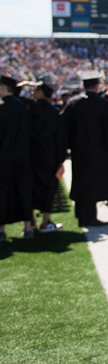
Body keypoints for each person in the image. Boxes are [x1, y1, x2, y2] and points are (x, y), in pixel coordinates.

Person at [61, 71, 108, 227]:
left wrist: (69, 146)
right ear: (97, 86)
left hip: (78, 151)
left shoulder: (73, 103)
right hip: (98, 151)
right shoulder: (102, 103)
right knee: (93, 183)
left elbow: (65, 126)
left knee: (80, 182)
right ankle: (91, 216)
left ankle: (81, 217)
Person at [27, 75, 68, 232]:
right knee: (49, 188)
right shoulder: (55, 112)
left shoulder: (30, 108)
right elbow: (61, 138)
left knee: (31, 187)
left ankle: (30, 221)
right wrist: (61, 160)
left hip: (31, 154)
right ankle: (45, 222)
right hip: (50, 156)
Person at [0, 73, 34, 241]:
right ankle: (28, 227)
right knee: (24, 189)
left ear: (4, 88)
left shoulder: (1, 107)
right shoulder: (23, 106)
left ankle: (1, 230)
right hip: (23, 155)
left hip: (4, 156)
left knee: (2, 191)